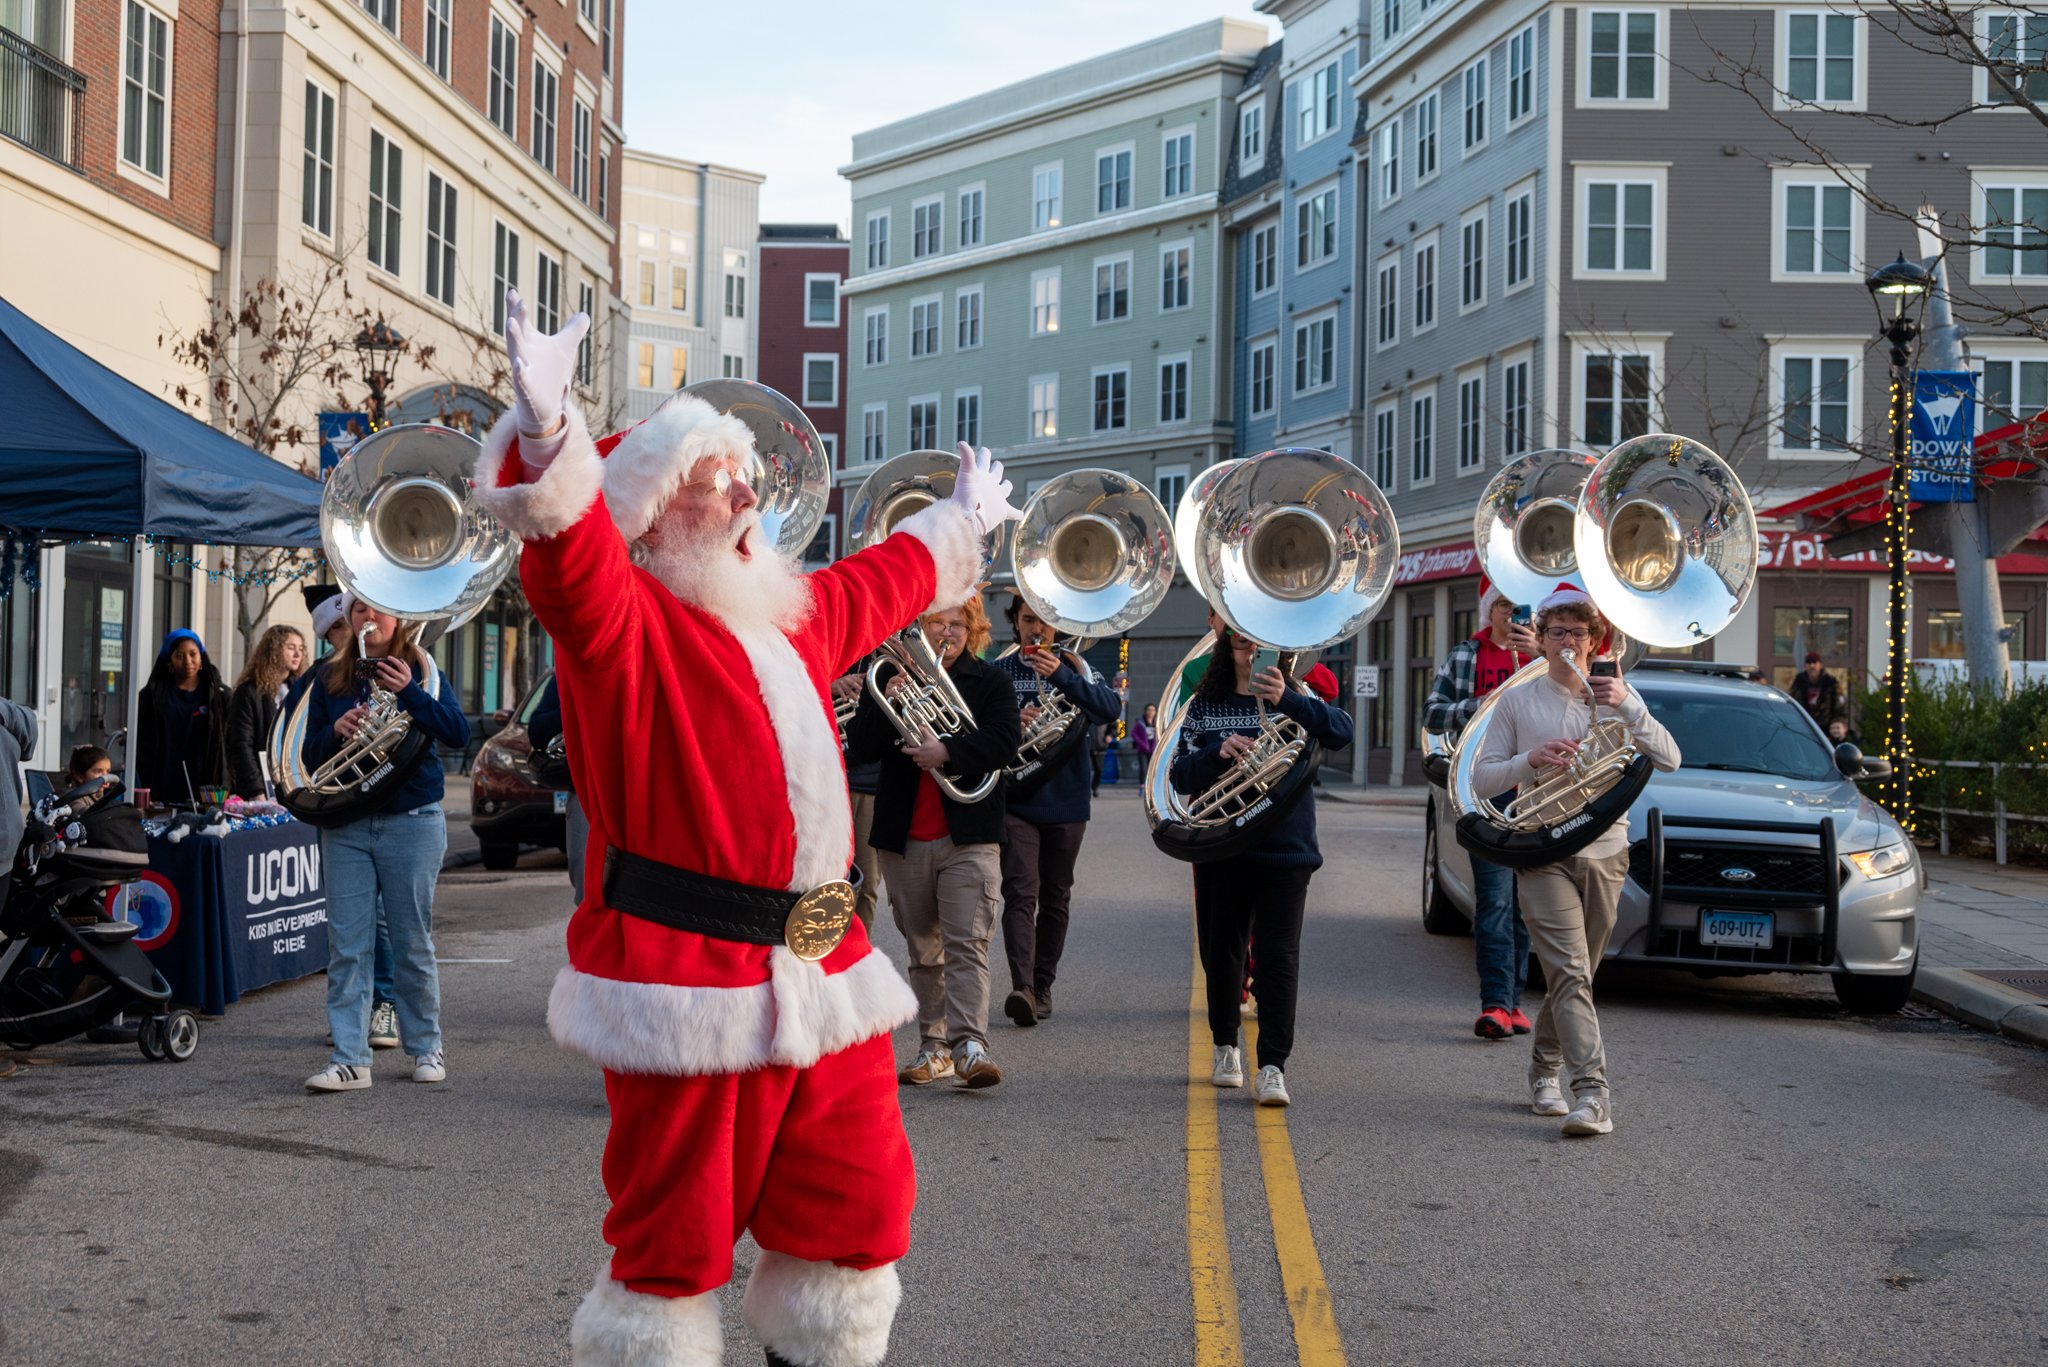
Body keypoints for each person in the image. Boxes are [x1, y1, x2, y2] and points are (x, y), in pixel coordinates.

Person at [473, 291, 1014, 1367]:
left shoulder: (781, 623)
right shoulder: (624, 630)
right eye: (713, 477)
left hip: (825, 969)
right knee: (669, 1251)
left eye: (740, 476)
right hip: (689, 986)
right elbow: (568, 562)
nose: (745, 490)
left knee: (851, 1222)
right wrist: (549, 436)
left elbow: (874, 583)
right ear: (652, 513)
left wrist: (956, 525)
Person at [1469, 583, 1680, 1138]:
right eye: (1555, 632)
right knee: (1568, 971)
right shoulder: (1516, 700)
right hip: (1543, 848)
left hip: (1607, 850)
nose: (1566, 642)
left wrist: (1629, 706)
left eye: (1577, 633)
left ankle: (1544, 1070)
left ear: (1596, 641)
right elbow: (1482, 777)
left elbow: (1670, 758)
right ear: (1539, 641)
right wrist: (1528, 760)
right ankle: (1594, 1095)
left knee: (1576, 977)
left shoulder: (1617, 693)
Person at [1171, 627, 1354, 1108]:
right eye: (1242, 645)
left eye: (1261, 645)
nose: (1252, 655)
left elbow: (1342, 732)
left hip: (1286, 845)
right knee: (1224, 948)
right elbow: (1179, 771)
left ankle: (1273, 1064)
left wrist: (1290, 700)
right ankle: (1226, 1046)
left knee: (1278, 957)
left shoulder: (1298, 696)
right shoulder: (1205, 705)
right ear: (1225, 651)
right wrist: (1217, 753)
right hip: (1221, 842)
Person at [297, 597, 468, 1095]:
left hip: (411, 819)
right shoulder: (330, 676)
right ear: (347, 620)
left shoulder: (421, 669)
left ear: (399, 616)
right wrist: (335, 730)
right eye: (357, 611)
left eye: (378, 609)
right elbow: (306, 753)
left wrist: (410, 693)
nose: (367, 619)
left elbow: (456, 732)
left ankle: (426, 1046)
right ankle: (351, 1058)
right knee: (347, 945)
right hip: (346, 822)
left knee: (412, 941)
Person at [847, 596, 1021, 1084]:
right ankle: (933, 1045)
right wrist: (890, 701)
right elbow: (859, 746)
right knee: (924, 949)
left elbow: (1005, 741)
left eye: (956, 625)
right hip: (904, 837)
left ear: (974, 630)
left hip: (969, 834)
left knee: (967, 943)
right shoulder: (887, 678)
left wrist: (948, 750)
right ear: (917, 630)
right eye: (935, 624)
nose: (946, 634)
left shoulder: (990, 681)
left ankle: (970, 1044)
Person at [994, 595, 1123, 1028]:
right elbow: (978, 728)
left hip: (1067, 800)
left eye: (1045, 621)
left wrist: (1064, 677)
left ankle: (1043, 984)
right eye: (1028, 619)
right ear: (1015, 622)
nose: (1037, 629)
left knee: (1056, 896)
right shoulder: (1000, 671)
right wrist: (1014, 720)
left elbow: (1109, 709)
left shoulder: (1079, 667)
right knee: (1019, 891)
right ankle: (1023, 988)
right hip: (1017, 798)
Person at [1421, 581, 1540, 1041]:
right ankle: (1494, 1003)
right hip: (1487, 789)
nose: (1512, 617)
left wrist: (1542, 661)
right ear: (1490, 611)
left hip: (1535, 791)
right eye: (1503, 607)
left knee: (1525, 905)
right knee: (1493, 899)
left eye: (1519, 608)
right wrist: (1487, 705)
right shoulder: (1466, 655)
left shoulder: (1545, 657)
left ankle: (1514, 1000)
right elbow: (1433, 714)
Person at [133, 629, 231, 807]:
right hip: (166, 778)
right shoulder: (151, 696)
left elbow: (231, 741)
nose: (188, 661)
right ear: (169, 660)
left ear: (201, 658)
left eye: (193, 654)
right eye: (179, 655)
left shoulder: (219, 696)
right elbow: (142, 742)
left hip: (208, 782)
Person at [832, 663, 887, 934]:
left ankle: (858, 952)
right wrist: (828, 685)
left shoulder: (886, 657)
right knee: (824, 879)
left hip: (868, 784)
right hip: (827, 782)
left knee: (866, 883)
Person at [525, 674, 588, 903]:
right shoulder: (567, 675)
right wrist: (580, 702)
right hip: (587, 793)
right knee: (587, 890)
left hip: (640, 793)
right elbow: (538, 731)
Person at [226, 625, 307, 799]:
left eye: (301, 649)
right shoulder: (248, 692)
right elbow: (241, 745)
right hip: (262, 789)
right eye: (291, 648)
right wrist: (256, 791)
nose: (298, 654)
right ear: (274, 650)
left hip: (294, 787)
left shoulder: (300, 691)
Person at [1793, 652, 1844, 733]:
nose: (1812, 666)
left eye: (1814, 662)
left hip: (1826, 729)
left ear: (1821, 665)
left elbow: (1840, 706)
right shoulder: (1799, 681)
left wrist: (1835, 725)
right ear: (1805, 666)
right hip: (1803, 726)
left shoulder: (1831, 682)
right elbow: (1793, 701)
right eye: (1809, 663)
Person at [1132, 702, 1158, 769]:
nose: (1151, 712)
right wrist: (1141, 743)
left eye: (1153, 710)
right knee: (1143, 769)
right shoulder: (1140, 722)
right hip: (1142, 748)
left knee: (1151, 769)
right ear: (1146, 711)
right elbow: (1134, 733)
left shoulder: (1157, 723)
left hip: (1153, 748)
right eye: (1149, 710)